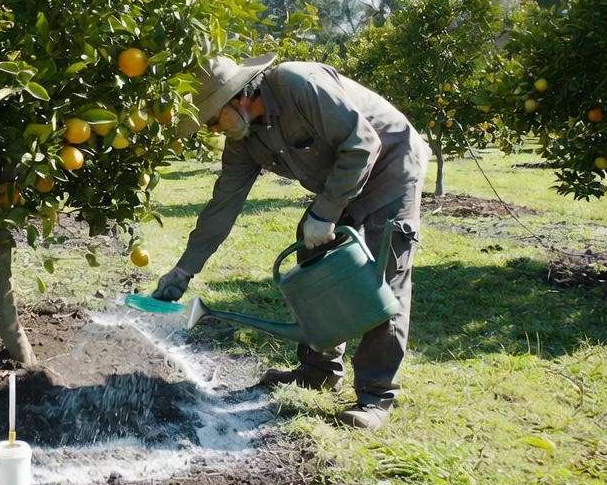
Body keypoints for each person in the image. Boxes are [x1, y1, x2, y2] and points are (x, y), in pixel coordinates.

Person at [154, 54, 430, 429]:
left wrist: (325, 214)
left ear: (239, 97)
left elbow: (363, 143)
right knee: (312, 254)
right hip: (341, 177)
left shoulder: (299, 84)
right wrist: (185, 268)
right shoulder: (244, 139)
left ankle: (375, 395)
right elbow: (223, 204)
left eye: (213, 118)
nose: (213, 128)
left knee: (386, 274)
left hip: (391, 164)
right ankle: (319, 369)